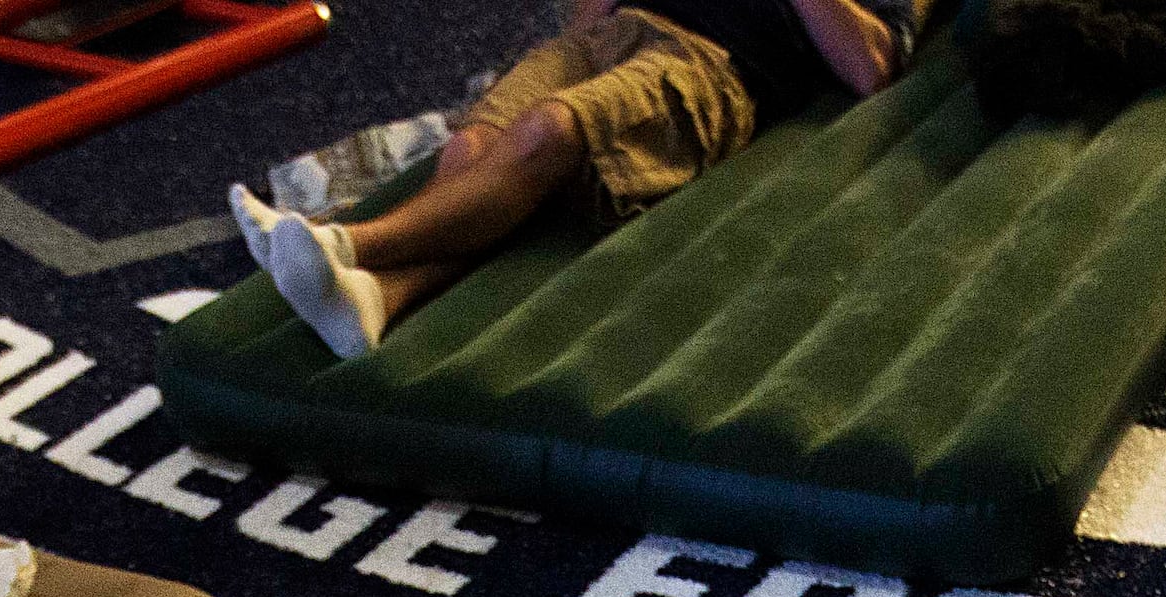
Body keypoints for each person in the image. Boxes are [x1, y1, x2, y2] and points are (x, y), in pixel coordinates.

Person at [228, 0, 935, 359]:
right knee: (470, 149)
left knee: (552, 133)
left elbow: (870, 67)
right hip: (612, 33)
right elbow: (587, 15)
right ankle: (379, 297)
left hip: (715, 68)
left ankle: (348, 244)